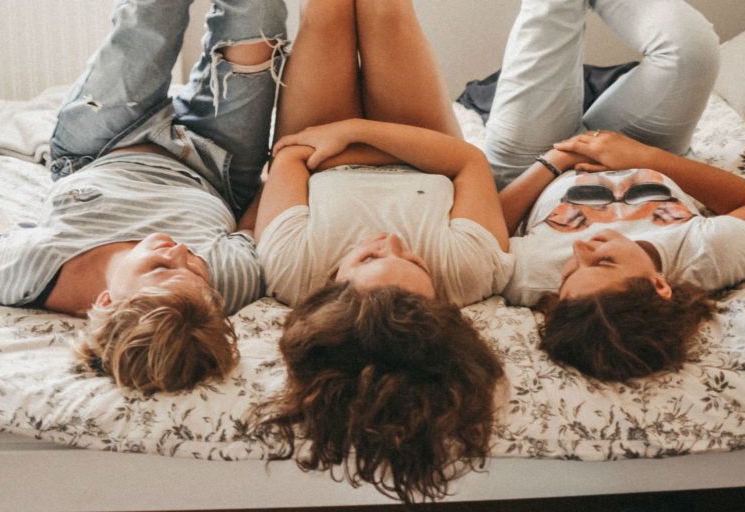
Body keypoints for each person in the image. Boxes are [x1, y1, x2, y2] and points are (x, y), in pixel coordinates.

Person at [253, 0, 512, 503]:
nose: (391, 242)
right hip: (420, 141)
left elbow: (289, 156)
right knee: (384, 7)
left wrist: (340, 137)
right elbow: (467, 163)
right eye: (415, 261)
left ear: (331, 285)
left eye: (368, 259)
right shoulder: (468, 272)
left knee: (327, 12)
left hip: (358, 149)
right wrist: (358, 132)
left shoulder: (293, 269)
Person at [0, 0, 288, 394]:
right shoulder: (226, 282)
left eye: (160, 266)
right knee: (259, 15)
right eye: (197, 270)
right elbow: (255, 218)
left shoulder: (35, 271)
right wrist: (277, 167)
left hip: (102, 144)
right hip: (216, 164)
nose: (180, 251)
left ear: (106, 302)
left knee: (155, 13)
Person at [485, 0, 745, 381]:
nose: (581, 249)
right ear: (659, 286)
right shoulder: (702, 257)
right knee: (693, 51)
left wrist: (554, 162)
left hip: (535, 162)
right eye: (605, 261)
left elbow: (481, 227)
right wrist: (646, 156)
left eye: (570, 272)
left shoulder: (534, 279)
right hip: (640, 147)